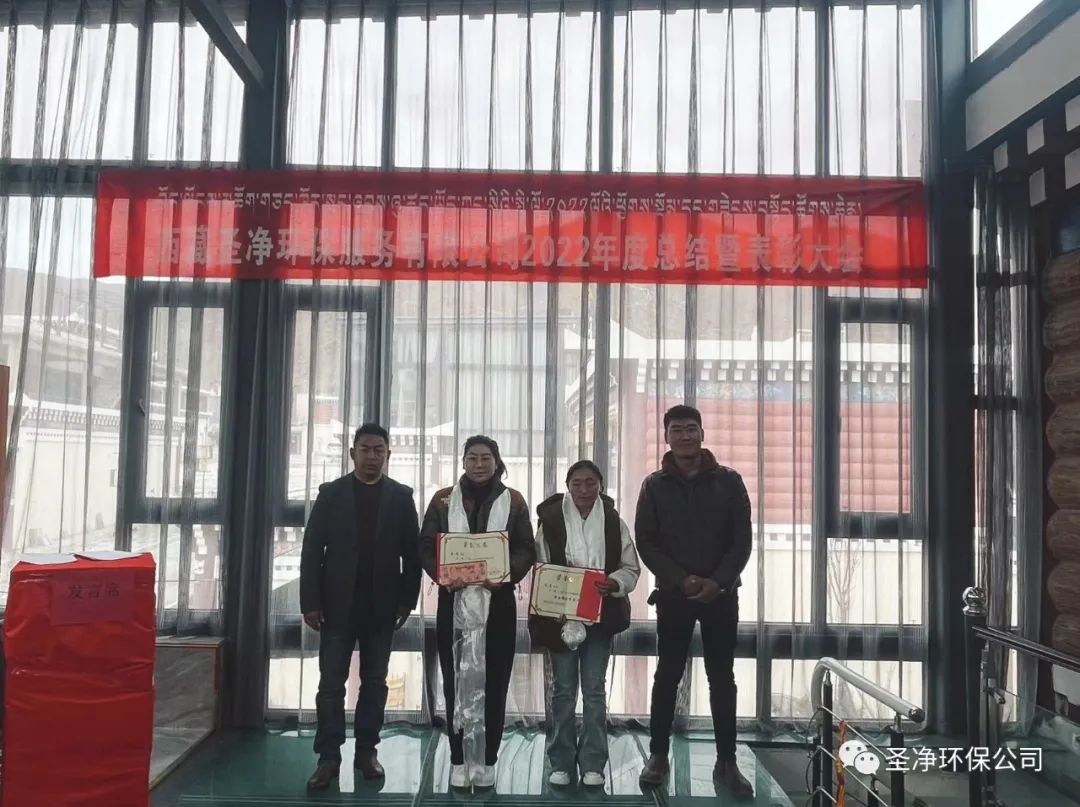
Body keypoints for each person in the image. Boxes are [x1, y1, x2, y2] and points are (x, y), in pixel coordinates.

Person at [634, 405, 754, 799]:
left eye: (691, 429)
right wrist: (680, 579)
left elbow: (742, 540)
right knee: (667, 675)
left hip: (721, 595)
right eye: (677, 430)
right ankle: (658, 755)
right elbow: (646, 541)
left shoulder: (729, 481)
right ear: (666, 437)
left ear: (702, 433)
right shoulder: (654, 485)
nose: (685, 436)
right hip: (674, 595)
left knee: (722, 677)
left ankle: (727, 761)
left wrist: (717, 581)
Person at [300, 423, 422, 791]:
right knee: (331, 684)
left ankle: (367, 751)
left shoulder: (401, 497)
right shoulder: (331, 494)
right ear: (352, 453)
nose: (372, 456)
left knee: (374, 682)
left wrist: (407, 601)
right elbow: (311, 550)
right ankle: (328, 757)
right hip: (336, 605)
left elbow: (412, 556)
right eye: (365, 449)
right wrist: (310, 601)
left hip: (381, 607)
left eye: (379, 450)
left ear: (388, 454)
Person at [419, 435, 536, 790]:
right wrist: (443, 575)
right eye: (472, 457)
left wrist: (504, 576)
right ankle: (458, 758)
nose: (479, 464)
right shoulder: (442, 500)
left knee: (495, 681)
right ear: (463, 462)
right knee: (454, 679)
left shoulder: (514, 501)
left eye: (486, 457)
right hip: (453, 601)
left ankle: (487, 759)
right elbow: (426, 546)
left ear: (497, 462)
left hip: (498, 604)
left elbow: (526, 549)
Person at [530, 460, 640, 788]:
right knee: (563, 690)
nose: (584, 489)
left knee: (594, 690)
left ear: (600, 485)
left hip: (600, 617)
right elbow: (540, 566)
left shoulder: (613, 521)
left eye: (591, 482)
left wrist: (615, 583)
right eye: (577, 483)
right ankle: (561, 761)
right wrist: (554, 603)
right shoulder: (551, 521)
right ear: (568, 486)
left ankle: (593, 762)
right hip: (560, 617)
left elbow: (630, 566)